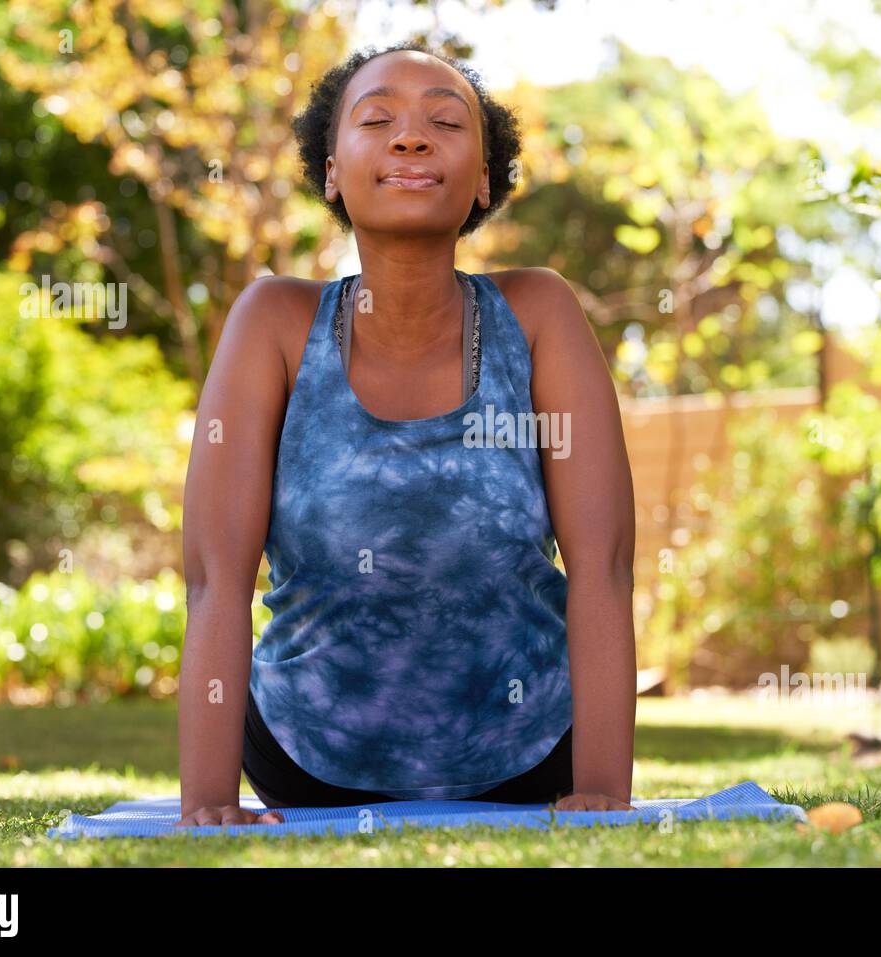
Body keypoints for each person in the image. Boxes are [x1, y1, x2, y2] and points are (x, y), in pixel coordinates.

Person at [176, 41, 636, 827]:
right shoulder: (275, 322)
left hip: (531, 760)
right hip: (308, 764)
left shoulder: (540, 313)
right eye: (378, 118)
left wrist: (601, 792)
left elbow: (605, 565)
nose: (411, 138)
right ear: (330, 170)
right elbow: (216, 577)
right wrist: (208, 802)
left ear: (485, 178)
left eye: (445, 122)